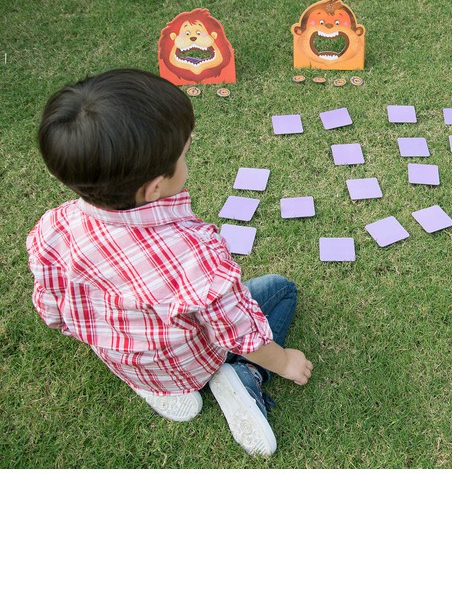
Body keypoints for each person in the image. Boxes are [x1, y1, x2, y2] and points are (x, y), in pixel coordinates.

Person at [26, 68, 312, 456]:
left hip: (127, 359)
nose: (187, 156)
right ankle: (245, 375)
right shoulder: (195, 252)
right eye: (184, 153)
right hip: (193, 359)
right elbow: (239, 331)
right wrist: (284, 362)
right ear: (156, 187)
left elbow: (51, 305)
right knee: (282, 289)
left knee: (151, 341)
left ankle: (157, 387)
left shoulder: (53, 227)